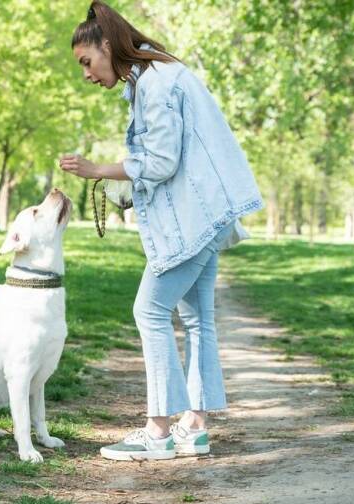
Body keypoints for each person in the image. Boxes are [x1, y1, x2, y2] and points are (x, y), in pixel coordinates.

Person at [59, 1, 264, 461]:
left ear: (107, 46)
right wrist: (126, 190)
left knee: (149, 311)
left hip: (195, 219)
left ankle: (158, 431)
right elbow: (175, 159)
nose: (87, 75)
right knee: (196, 319)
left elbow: (162, 161)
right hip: (209, 214)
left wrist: (99, 170)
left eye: (86, 62)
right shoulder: (160, 77)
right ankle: (194, 426)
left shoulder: (155, 83)